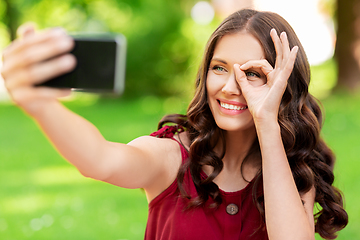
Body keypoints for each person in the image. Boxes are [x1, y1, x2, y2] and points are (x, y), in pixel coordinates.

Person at [1, 8, 348, 240]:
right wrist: (39, 105)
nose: (229, 86)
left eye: (252, 73)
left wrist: (267, 123)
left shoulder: (291, 168)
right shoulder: (172, 155)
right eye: (219, 68)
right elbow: (100, 159)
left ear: (283, 84)